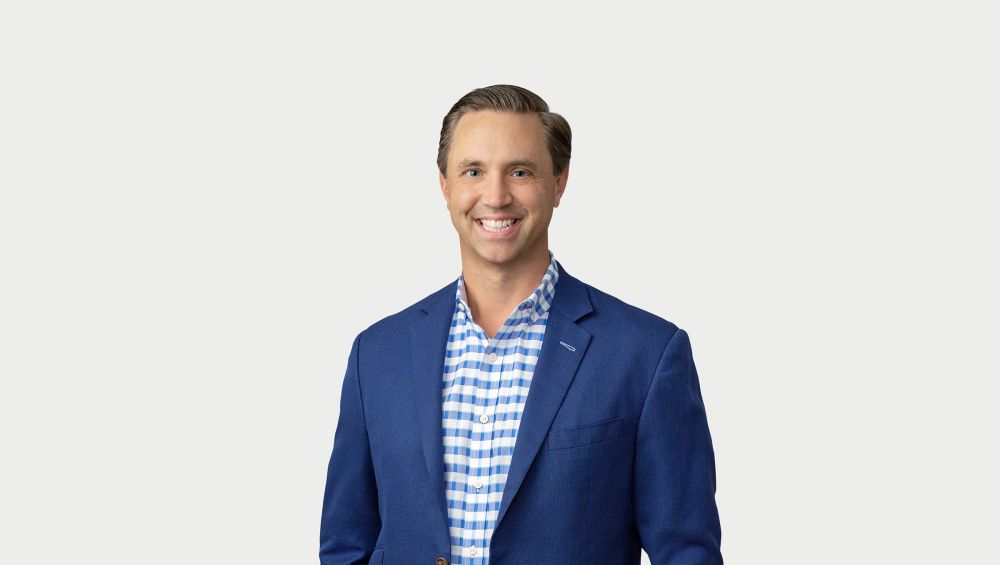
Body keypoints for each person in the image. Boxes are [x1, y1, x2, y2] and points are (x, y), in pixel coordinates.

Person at [319, 84, 723, 565]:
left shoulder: (646, 355)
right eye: (473, 171)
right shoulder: (376, 355)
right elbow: (346, 547)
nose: (496, 196)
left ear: (559, 183)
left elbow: (686, 553)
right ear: (445, 186)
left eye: (520, 172)